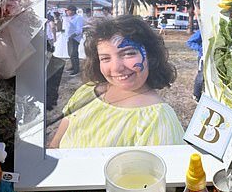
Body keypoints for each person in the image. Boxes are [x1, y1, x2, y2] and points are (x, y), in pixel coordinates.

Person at [49, 15, 185, 148]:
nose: (116, 68)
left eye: (128, 53)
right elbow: (56, 144)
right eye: (105, 58)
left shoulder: (158, 119)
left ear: (150, 56)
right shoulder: (87, 91)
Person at [65, 5, 84, 76]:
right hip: (69, 38)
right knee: (70, 53)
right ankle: (73, 66)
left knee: (74, 54)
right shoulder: (70, 18)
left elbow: (79, 30)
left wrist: (72, 36)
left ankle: (76, 69)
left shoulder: (78, 18)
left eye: (68, 10)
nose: (66, 12)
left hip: (74, 38)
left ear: (72, 11)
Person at [186, 29, 204, 101]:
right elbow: (190, 42)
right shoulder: (203, 30)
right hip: (203, 57)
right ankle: (196, 95)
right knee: (201, 76)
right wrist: (201, 49)